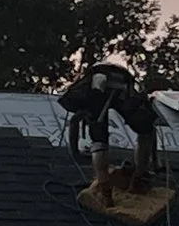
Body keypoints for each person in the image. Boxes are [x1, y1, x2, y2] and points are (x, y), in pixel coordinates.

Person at [59, 60, 160, 208]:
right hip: (123, 87)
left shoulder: (88, 87)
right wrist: (154, 162)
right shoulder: (120, 79)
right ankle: (139, 178)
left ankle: (105, 191)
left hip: (99, 88)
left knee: (99, 140)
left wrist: (75, 153)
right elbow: (149, 130)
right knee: (144, 129)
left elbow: (74, 121)